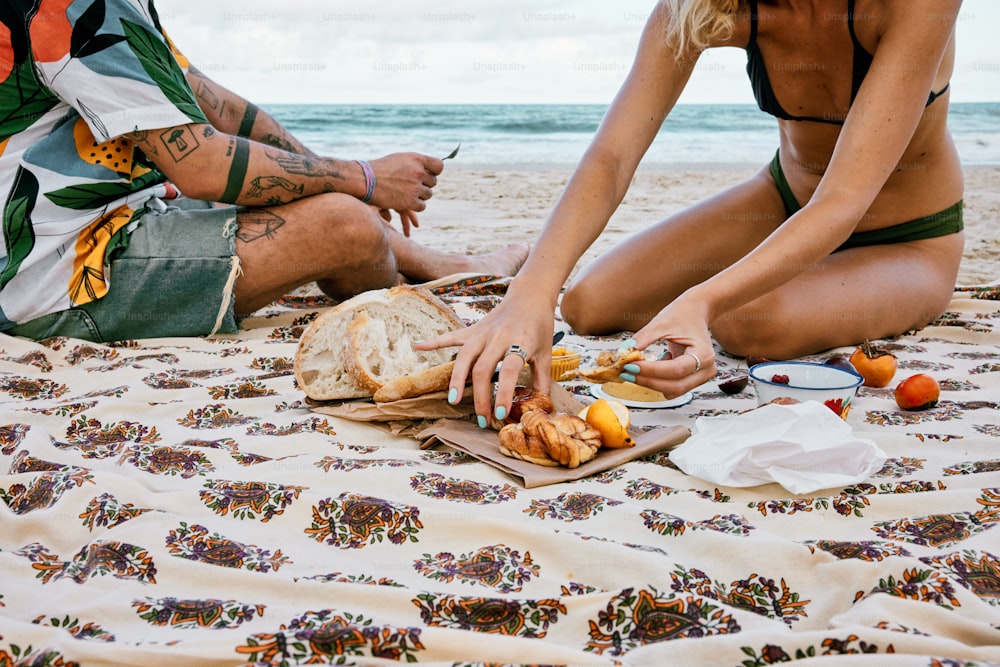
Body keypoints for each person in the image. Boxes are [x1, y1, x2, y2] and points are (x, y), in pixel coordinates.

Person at [419, 0, 964, 429]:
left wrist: (701, 301)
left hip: (906, 238)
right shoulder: (706, 7)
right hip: (783, 200)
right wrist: (532, 293)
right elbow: (611, 159)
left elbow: (843, 201)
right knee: (586, 304)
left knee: (745, 321)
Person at [0, 0, 527, 343]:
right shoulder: (74, 7)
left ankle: (440, 263)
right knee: (347, 226)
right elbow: (204, 166)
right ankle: (390, 278)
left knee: (307, 192)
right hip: (46, 280)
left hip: (107, 216)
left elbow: (220, 110)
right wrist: (364, 180)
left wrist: (354, 179)